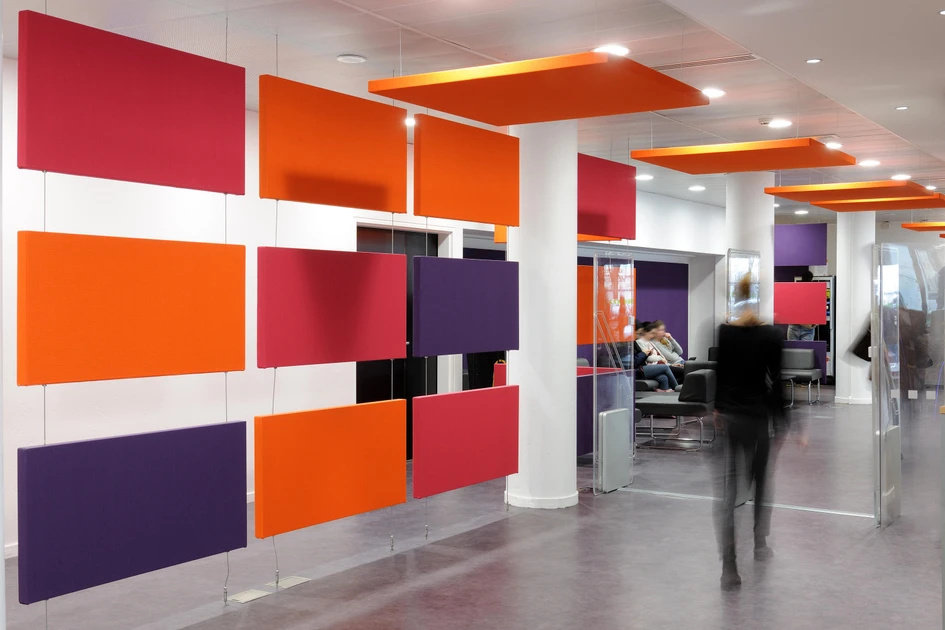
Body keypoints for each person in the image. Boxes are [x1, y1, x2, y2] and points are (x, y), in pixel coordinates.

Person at [714, 273, 806, 589]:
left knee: (728, 494)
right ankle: (760, 542)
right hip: (758, 420)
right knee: (760, 484)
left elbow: (721, 376)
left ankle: (729, 567)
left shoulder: (725, 332)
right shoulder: (771, 335)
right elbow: (776, 383)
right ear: (759, 296)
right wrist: (788, 425)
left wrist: (718, 410)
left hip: (732, 420)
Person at [787, 270, 818, 341]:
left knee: (792, 348)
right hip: (807, 327)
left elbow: (790, 311)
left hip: (795, 326)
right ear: (811, 279)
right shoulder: (814, 292)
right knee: (806, 348)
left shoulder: (794, 291)